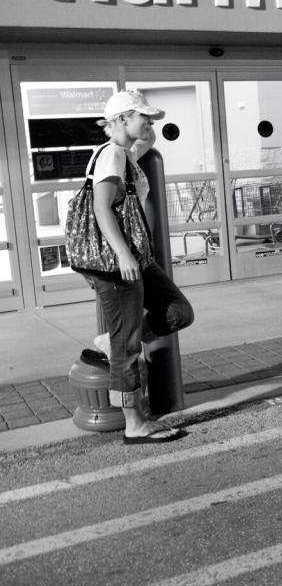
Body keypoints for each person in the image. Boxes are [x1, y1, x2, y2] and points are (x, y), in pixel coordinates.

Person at [84, 90, 194, 444]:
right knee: (128, 345)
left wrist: (145, 123)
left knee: (178, 312)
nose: (149, 122)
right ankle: (135, 423)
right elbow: (102, 208)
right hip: (121, 264)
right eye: (141, 116)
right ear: (119, 120)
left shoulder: (128, 154)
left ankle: (108, 342)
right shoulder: (112, 156)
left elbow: (149, 136)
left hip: (137, 258)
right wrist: (124, 256)